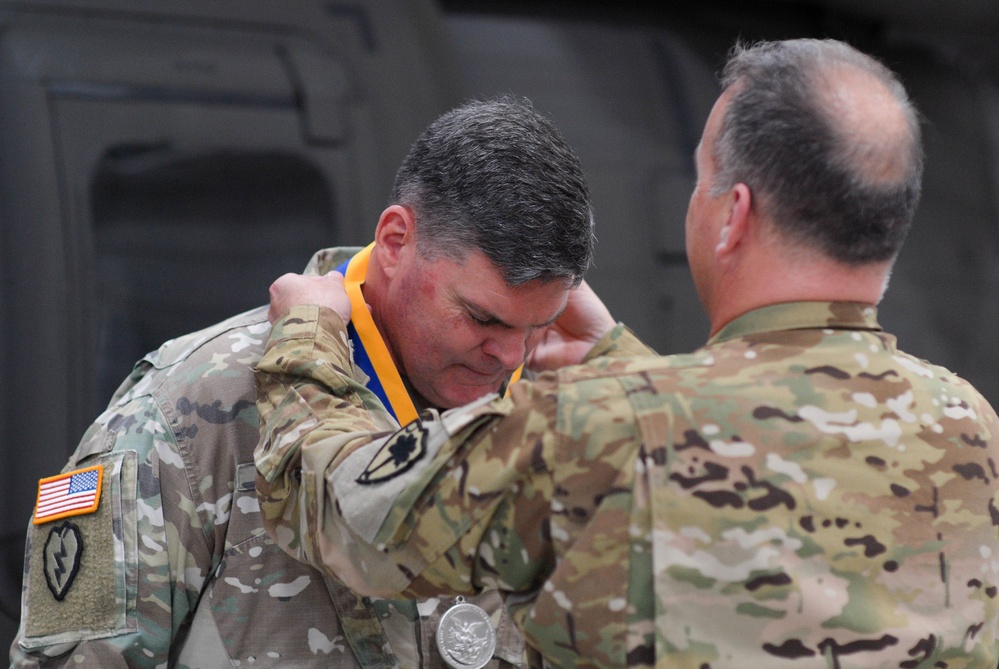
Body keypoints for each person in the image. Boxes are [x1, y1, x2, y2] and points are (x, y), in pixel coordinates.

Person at [252, 38, 999, 669]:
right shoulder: (971, 428)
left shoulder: (597, 430)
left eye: (703, 178)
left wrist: (309, 339)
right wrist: (618, 364)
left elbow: (344, 516)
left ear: (732, 215)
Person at [10, 96, 612, 668]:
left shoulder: (555, 414)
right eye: (483, 318)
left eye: (540, 325)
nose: (510, 356)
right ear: (397, 241)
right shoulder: (192, 409)